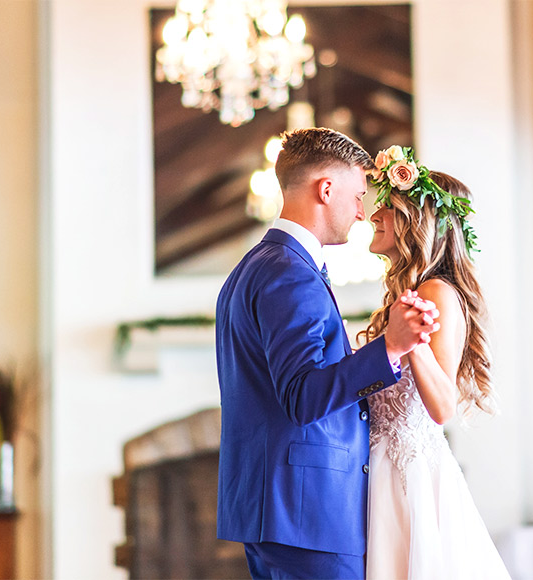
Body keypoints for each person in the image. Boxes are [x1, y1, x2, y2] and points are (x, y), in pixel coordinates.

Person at [215, 129, 440, 579]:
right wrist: (391, 346)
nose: (361, 213)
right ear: (326, 189)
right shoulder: (288, 273)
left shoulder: (255, 266)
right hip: (307, 512)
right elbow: (301, 396)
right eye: (358, 196)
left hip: (280, 511)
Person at [362, 145, 512, 579]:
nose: (373, 216)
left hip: (410, 481)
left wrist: (406, 340)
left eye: (386, 209)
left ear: (416, 223)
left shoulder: (436, 293)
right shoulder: (410, 294)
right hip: (386, 471)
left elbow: (442, 406)